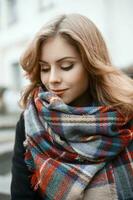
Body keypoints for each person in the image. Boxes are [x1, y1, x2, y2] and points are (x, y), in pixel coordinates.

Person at [11, 13, 133, 200]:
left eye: (66, 66)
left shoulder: (125, 115)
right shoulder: (31, 120)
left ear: (92, 64)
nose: (52, 79)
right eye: (44, 68)